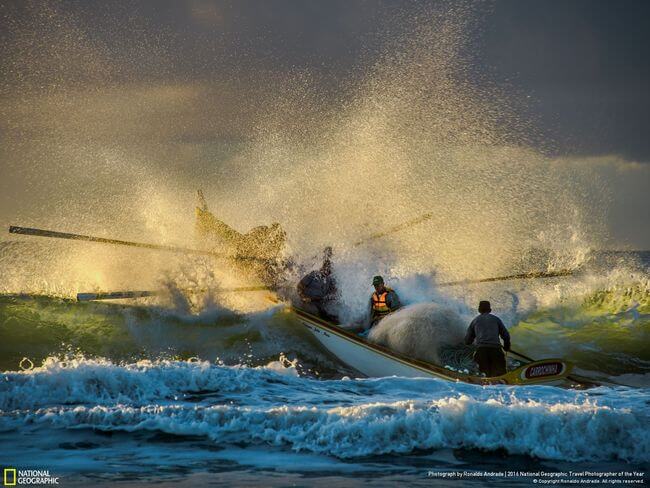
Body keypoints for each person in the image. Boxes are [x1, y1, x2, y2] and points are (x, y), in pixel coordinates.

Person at [464, 300, 511, 377]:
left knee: (483, 377)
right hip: (496, 351)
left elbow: (467, 341)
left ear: (479, 310)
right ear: (490, 310)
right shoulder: (496, 319)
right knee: (500, 377)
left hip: (481, 351)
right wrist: (506, 347)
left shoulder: (475, 321)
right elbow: (506, 335)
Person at [297, 247, 338, 321]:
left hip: (319, 304)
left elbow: (333, 293)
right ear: (322, 268)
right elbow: (299, 286)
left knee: (332, 318)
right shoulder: (314, 275)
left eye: (329, 269)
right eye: (326, 268)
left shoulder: (330, 280)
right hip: (308, 303)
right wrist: (303, 297)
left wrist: (332, 295)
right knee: (315, 312)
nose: (328, 270)